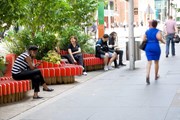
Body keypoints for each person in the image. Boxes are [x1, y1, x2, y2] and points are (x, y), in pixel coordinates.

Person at [142, 20, 165, 84]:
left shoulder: (147, 31)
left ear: (151, 25)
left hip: (148, 47)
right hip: (155, 46)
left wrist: (148, 39)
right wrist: (163, 42)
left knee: (149, 62)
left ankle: (147, 76)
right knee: (156, 62)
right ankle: (156, 75)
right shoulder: (157, 31)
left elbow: (143, 39)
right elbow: (159, 38)